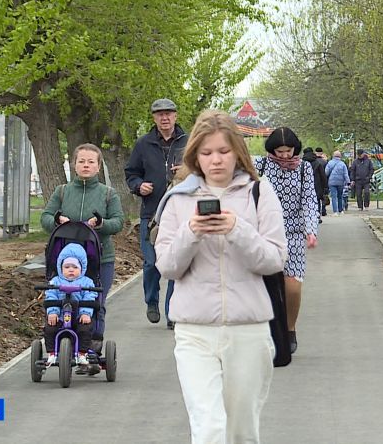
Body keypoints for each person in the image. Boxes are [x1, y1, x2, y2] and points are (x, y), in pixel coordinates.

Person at [154, 110, 288, 443]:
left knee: (241, 431)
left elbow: (274, 259)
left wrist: (237, 230)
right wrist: (191, 232)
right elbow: (167, 266)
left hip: (249, 329)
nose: (216, 160)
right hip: (194, 330)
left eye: (224, 151)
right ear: (195, 156)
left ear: (238, 152)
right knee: (210, 427)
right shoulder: (178, 199)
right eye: (207, 152)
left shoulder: (259, 192)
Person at [41, 143, 124, 359]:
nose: (86, 165)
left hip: (99, 258)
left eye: (91, 162)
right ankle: (59, 340)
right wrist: (57, 220)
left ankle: (93, 347)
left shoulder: (108, 194)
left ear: (98, 167)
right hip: (64, 260)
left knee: (95, 302)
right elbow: (45, 218)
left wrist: (101, 223)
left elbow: (118, 222)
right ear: (74, 165)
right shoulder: (62, 192)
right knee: (59, 299)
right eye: (81, 161)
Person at [124, 98, 188, 329]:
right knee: (152, 263)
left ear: (175, 115)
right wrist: (139, 186)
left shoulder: (188, 142)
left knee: (175, 265)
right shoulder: (143, 144)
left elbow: (203, 172)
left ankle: (173, 312)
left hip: (181, 211)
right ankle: (151, 302)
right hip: (151, 213)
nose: (164, 118)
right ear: (153, 118)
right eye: (159, 114)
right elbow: (131, 173)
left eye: (169, 113)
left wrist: (187, 171)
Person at [255, 129, 319, 354]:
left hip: (293, 233)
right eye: (279, 151)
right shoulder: (259, 166)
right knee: (266, 286)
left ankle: (290, 327)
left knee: (292, 285)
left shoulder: (304, 168)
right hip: (263, 233)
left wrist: (311, 230)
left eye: (288, 151)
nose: (284, 156)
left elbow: (310, 200)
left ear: (295, 149)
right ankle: (269, 331)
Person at [43, 243, 97, 373]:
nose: (71, 270)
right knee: (50, 328)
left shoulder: (87, 282)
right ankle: (52, 353)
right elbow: (50, 296)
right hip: (60, 316)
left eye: (74, 267)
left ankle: (82, 353)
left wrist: (85, 313)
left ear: (82, 268)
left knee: (85, 329)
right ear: (61, 268)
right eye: (67, 267)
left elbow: (90, 297)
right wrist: (53, 312)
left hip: (79, 316)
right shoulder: (55, 282)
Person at [301, 146, 327, 223]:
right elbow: (323, 176)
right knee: (317, 201)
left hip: (305, 184)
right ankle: (317, 216)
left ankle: (306, 217)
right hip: (317, 184)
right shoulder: (317, 163)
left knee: (305, 201)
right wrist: (325, 186)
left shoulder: (302, 163)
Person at [325, 150, 350, 216]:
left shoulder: (330, 163)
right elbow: (345, 174)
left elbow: (326, 172)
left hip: (332, 182)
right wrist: (348, 182)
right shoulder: (342, 164)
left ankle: (335, 212)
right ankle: (341, 210)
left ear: (333, 156)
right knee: (340, 196)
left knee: (334, 197)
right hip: (340, 182)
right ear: (340, 156)